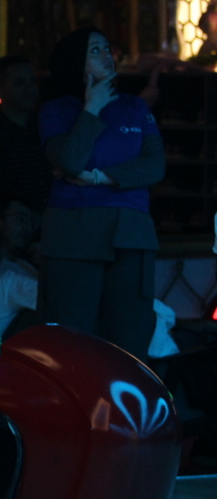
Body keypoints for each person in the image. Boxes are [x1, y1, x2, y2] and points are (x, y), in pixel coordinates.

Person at [38, 28, 163, 359]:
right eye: (95, 50)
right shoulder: (55, 110)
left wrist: (97, 177)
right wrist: (92, 108)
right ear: (74, 61)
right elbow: (69, 160)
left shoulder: (135, 107)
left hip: (131, 233)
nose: (107, 55)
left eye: (107, 48)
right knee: (72, 339)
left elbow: (154, 166)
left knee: (130, 338)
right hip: (73, 232)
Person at [0, 55, 52, 218]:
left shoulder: (46, 125)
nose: (29, 89)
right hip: (13, 223)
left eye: (32, 81)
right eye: (19, 83)